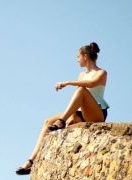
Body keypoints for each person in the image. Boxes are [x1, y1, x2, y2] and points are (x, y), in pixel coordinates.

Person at [16, 42, 110, 175]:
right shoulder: (81, 75)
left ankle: (62, 121)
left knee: (82, 90)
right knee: (47, 122)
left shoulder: (102, 72)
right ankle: (31, 161)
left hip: (97, 113)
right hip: (80, 112)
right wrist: (72, 115)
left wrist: (67, 83)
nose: (77, 59)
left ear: (85, 56)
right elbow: (78, 99)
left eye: (78, 56)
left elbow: (92, 83)